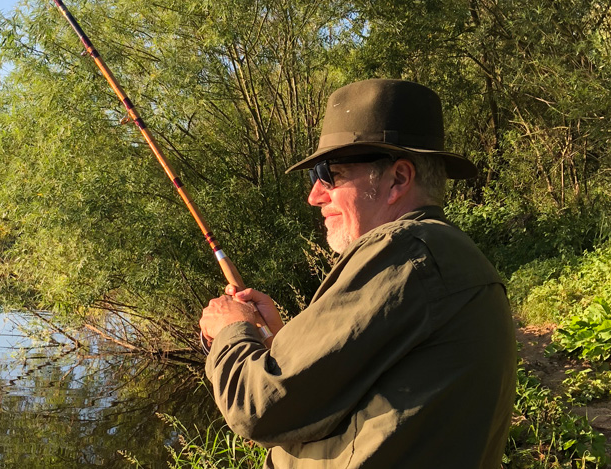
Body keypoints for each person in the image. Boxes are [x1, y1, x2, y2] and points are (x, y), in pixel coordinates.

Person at [199, 79, 516, 468]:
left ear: (398, 179)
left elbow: (259, 408)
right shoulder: (441, 254)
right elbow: (361, 393)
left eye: (328, 173)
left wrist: (230, 331)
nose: (314, 195)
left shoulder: (405, 254)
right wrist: (281, 343)